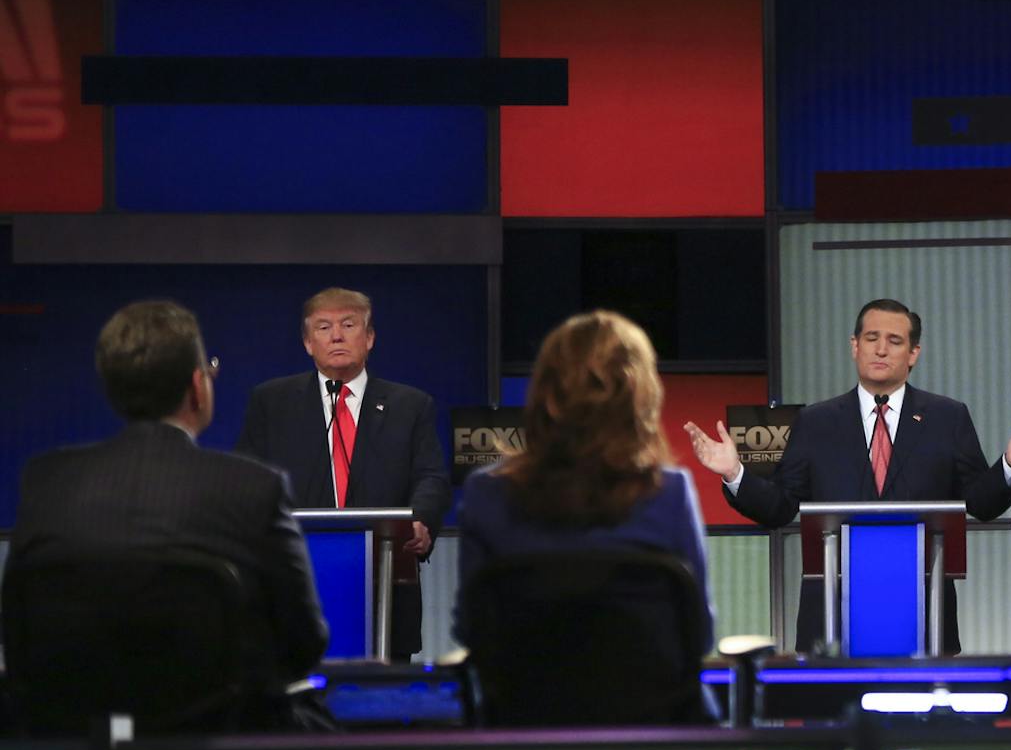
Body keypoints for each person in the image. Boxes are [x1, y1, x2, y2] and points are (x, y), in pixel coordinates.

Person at [14, 300, 328, 726]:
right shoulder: (254, 488)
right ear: (198, 387)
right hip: (224, 749)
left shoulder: (45, 481)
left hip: (74, 747)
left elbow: (19, 637)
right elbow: (303, 645)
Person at [684, 297, 1011, 654]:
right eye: (871, 339)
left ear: (913, 354)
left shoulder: (947, 417)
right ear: (854, 346)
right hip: (832, 615)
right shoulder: (816, 421)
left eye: (894, 341)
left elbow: (980, 502)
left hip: (922, 613)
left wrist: (1010, 462)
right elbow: (780, 507)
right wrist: (735, 472)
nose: (881, 350)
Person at [453, 312, 715, 705]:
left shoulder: (485, 493)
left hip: (521, 733)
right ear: (642, 396)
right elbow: (700, 636)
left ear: (543, 391)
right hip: (654, 736)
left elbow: (471, 631)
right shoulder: (669, 492)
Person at [237, 287, 449, 660]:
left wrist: (420, 521)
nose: (336, 336)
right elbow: (246, 480)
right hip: (295, 582)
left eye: (348, 325)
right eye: (323, 327)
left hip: (385, 584)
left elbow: (431, 476)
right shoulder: (272, 403)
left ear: (369, 338)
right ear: (307, 343)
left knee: (381, 707)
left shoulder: (410, 405)